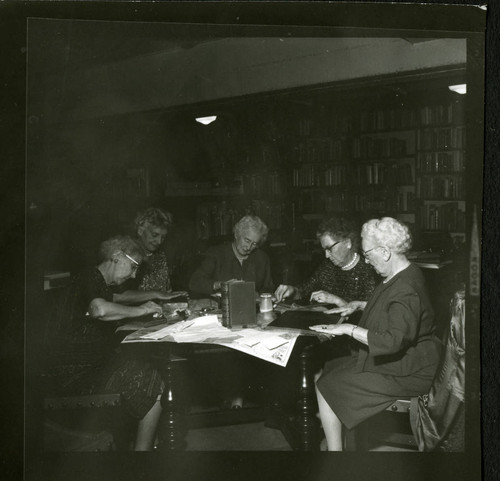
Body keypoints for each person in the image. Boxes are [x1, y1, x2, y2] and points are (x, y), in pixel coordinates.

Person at [314, 217, 441, 451]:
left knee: (326, 384)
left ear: (384, 251)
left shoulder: (405, 288)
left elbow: (392, 340)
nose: (366, 260)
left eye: (368, 253)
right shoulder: (403, 273)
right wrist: (359, 304)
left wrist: (348, 329)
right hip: (409, 360)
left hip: (411, 370)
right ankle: (337, 442)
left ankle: (335, 454)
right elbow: (391, 308)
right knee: (331, 368)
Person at [45, 235, 165, 451]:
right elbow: (100, 309)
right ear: (117, 257)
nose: (135, 274)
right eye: (134, 266)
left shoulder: (95, 281)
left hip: (80, 369)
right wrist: (142, 310)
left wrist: (149, 300)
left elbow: (116, 299)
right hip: (73, 377)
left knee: (139, 365)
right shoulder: (89, 277)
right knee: (152, 380)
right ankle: (144, 458)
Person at [274, 216, 378, 307]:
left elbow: (369, 316)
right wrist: (292, 291)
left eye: (329, 249)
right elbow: (303, 291)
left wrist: (336, 300)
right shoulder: (327, 267)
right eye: (324, 250)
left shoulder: (369, 271)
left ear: (347, 243)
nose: (326, 255)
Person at [114, 207, 186, 304]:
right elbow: (116, 296)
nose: (159, 241)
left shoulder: (160, 255)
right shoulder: (126, 255)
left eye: (163, 237)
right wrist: (155, 294)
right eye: (154, 235)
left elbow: (166, 292)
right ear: (140, 230)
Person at [189, 214, 274, 295]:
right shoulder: (216, 254)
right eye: (247, 240)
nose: (248, 247)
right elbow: (195, 282)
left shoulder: (262, 258)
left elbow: (268, 289)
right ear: (237, 234)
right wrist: (219, 285)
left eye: (254, 244)